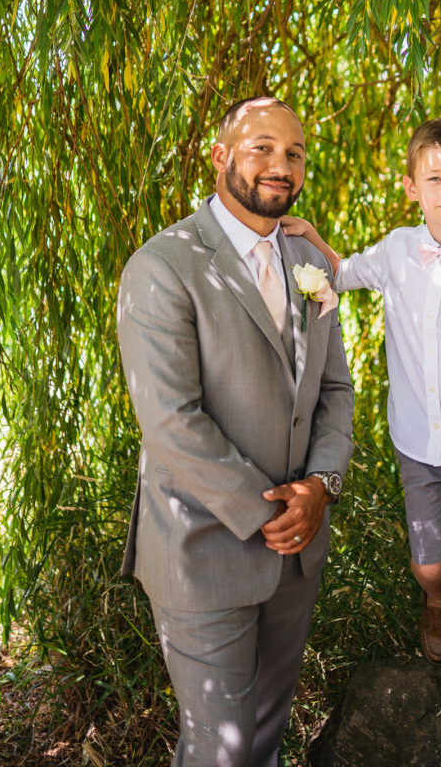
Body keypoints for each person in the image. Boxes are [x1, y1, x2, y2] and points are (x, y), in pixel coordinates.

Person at [282, 117, 441, 741]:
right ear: (411, 187)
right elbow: (341, 274)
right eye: (435, 179)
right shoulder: (397, 251)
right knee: (431, 564)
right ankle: (434, 598)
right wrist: (311, 238)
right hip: (419, 444)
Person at [117, 96, 355, 767]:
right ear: (220, 156)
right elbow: (170, 419)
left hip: (297, 551)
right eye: (261, 149)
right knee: (218, 749)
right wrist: (269, 511)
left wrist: (321, 486)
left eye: (294, 153)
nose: (281, 164)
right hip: (203, 549)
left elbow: (335, 392)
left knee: (264, 739)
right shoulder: (164, 265)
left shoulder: (311, 260)